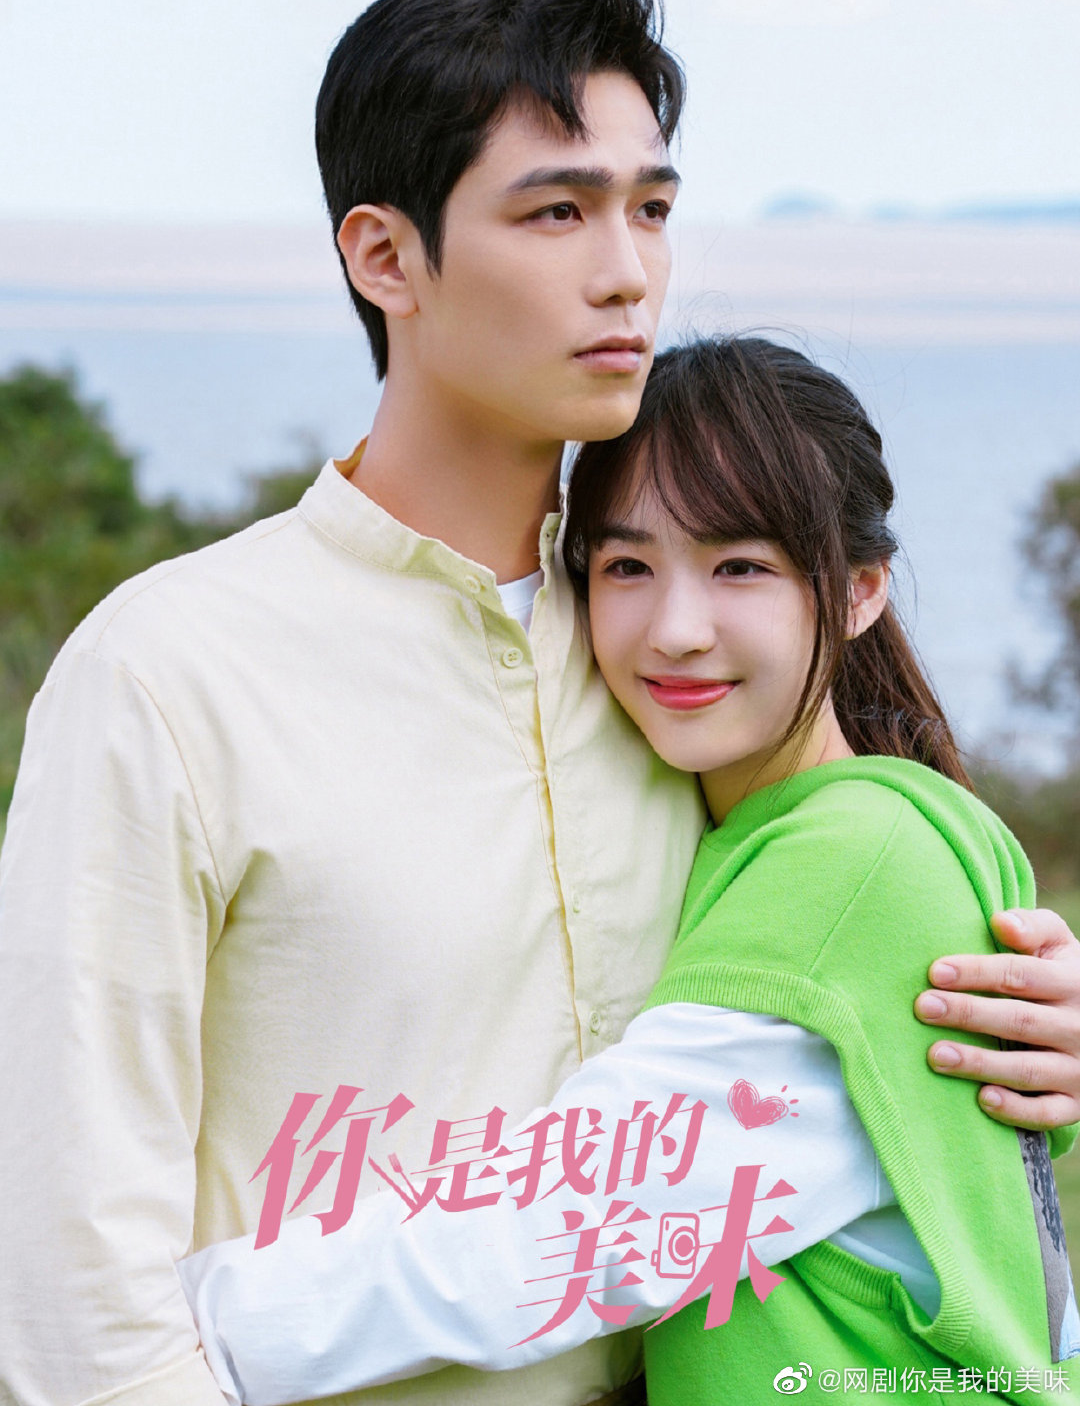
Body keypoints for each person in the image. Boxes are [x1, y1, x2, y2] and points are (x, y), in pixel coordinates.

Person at [1, 0, 1078, 1406]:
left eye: (652, 209)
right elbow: (75, 1300)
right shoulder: (170, 675)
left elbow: (833, 988)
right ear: (387, 259)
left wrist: (1027, 1034)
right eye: (557, 211)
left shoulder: (667, 665)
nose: (627, 270)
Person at [180, 335, 1080, 1401]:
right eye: (627, 568)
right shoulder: (819, 831)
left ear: (858, 592)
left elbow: (573, 1223)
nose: (676, 630)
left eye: (741, 567)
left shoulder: (855, 861)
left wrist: (170, 1328)